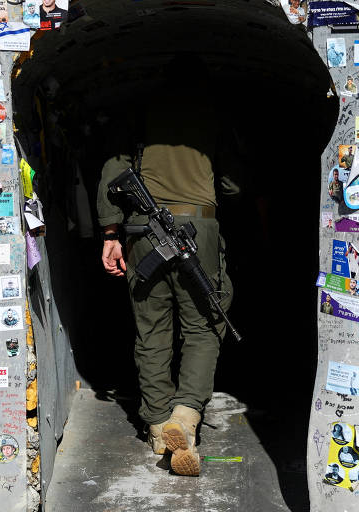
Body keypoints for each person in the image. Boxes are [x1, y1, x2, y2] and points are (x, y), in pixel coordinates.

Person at [97, 55, 233, 477]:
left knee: (151, 328)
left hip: (142, 232)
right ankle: (186, 416)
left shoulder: (138, 113)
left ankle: (158, 426)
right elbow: (232, 181)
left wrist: (109, 235)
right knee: (205, 321)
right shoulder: (216, 113)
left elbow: (112, 172)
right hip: (198, 228)